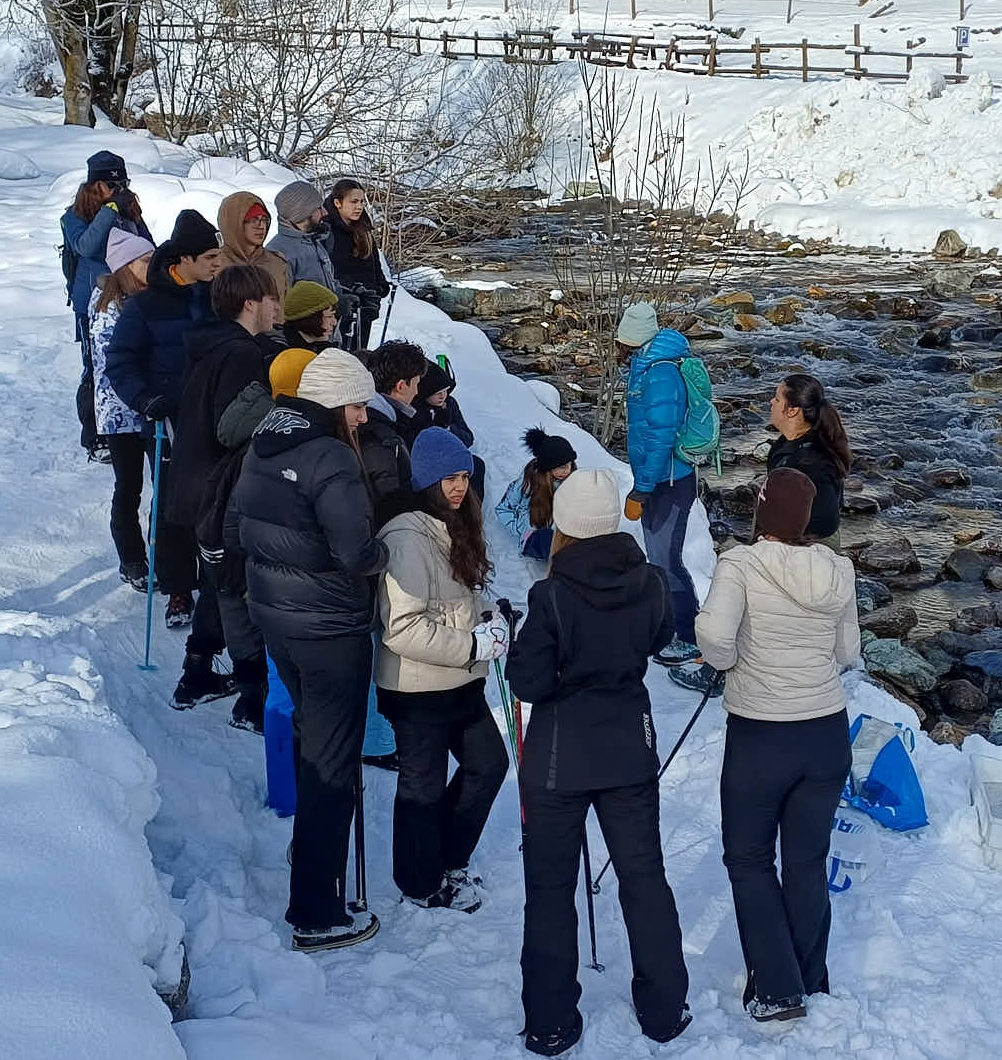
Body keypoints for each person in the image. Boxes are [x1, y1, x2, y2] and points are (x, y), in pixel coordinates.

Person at [507, 467, 690, 1056]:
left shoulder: (552, 595)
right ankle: (665, 1008)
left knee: (551, 887)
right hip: (629, 751)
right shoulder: (652, 582)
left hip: (560, 759)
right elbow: (659, 639)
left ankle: (551, 1020)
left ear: (563, 526)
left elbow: (528, 682)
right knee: (644, 878)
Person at [226, 348, 388, 952]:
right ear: (334, 400)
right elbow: (355, 552)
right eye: (357, 405)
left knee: (309, 737)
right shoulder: (330, 459)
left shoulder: (264, 443)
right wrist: (387, 553)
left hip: (276, 619)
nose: (364, 418)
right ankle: (316, 909)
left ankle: (309, 851)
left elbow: (235, 530)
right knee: (333, 764)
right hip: (330, 630)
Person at [693, 468, 859, 1024]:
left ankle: (779, 986)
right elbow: (848, 652)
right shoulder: (839, 569)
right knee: (807, 860)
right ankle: (810, 975)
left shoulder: (740, 563)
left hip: (762, 732)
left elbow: (716, 638)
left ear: (761, 513)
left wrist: (733, 660)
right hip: (825, 731)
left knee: (749, 857)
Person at [374, 427, 510, 912]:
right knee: (422, 786)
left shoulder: (451, 525)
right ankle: (419, 882)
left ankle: (447, 856)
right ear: (428, 480)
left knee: (489, 764)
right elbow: (403, 628)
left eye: (464, 478)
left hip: (459, 681)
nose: (459, 487)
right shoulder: (408, 537)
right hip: (417, 689)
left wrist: (489, 615)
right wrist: (473, 643)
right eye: (449, 478)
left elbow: (452, 602)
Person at [164, 262, 284, 712]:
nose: (278, 306)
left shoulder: (211, 345)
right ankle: (250, 695)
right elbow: (233, 428)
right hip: (217, 488)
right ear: (250, 303)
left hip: (194, 482)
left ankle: (197, 673)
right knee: (231, 587)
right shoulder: (241, 354)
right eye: (271, 298)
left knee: (219, 584)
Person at [103, 208, 227, 630]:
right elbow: (119, 361)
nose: (217, 265)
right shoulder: (145, 306)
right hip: (169, 420)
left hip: (215, 416)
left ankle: (216, 584)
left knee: (217, 500)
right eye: (210, 258)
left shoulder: (217, 299)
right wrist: (144, 398)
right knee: (175, 505)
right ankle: (177, 586)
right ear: (184, 261)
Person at [615, 301, 702, 671]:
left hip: (668, 482)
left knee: (668, 562)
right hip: (658, 480)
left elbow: (662, 436)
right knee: (660, 560)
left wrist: (642, 489)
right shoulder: (646, 363)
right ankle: (671, 627)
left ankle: (690, 638)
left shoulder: (661, 372)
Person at [60, 150, 150, 458]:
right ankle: (94, 436)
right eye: (112, 185)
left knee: (133, 362)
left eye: (123, 183)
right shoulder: (73, 216)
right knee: (95, 368)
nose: (119, 190)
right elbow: (86, 247)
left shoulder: (129, 211)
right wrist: (109, 210)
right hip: (94, 304)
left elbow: (147, 246)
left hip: (133, 300)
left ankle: (132, 427)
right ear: (94, 185)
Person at [90, 229, 158, 590]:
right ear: (126, 268)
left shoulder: (152, 298)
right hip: (122, 414)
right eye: (146, 261)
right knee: (129, 485)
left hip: (153, 409)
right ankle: (132, 558)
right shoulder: (106, 307)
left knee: (162, 485)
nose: (153, 266)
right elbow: (111, 362)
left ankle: (164, 555)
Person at [764, 373, 851, 547]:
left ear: (792, 411)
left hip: (809, 547)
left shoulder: (809, 460)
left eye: (777, 399)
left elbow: (826, 520)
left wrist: (782, 537)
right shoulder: (788, 443)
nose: (771, 402)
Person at [362, 341, 427, 527]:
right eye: (416, 383)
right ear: (400, 386)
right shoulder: (381, 436)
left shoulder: (379, 415)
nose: (417, 391)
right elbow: (390, 504)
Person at [324, 178, 389, 350]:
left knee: (359, 355)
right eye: (353, 202)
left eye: (361, 202)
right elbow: (326, 270)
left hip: (365, 306)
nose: (359, 206)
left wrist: (379, 288)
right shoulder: (326, 231)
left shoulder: (364, 229)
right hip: (338, 308)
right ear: (338, 202)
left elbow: (374, 263)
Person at [497, 427, 576, 562]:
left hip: (559, 532)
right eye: (562, 466)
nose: (568, 470)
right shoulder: (529, 482)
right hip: (535, 535)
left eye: (570, 464)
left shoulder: (572, 480)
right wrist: (522, 530)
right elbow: (503, 509)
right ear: (548, 466)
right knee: (549, 541)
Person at [416, 358, 486, 497]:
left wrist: (447, 428)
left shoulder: (450, 404)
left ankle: (473, 509)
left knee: (476, 466)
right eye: (438, 393)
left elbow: (468, 438)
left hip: (451, 455)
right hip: (427, 462)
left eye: (446, 391)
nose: (443, 396)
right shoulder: (416, 409)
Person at [217, 190, 290, 299]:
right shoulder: (215, 264)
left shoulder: (277, 263)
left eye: (264, 219)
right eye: (253, 220)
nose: (260, 226)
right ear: (234, 223)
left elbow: (287, 309)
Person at [270, 180, 338, 294]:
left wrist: (346, 294)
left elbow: (324, 287)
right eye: (319, 208)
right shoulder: (279, 254)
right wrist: (324, 309)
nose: (325, 212)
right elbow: (280, 305)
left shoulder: (314, 242)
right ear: (303, 212)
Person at [280, 280, 340, 351]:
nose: (334, 322)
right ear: (312, 319)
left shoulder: (323, 349)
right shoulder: (280, 351)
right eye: (329, 316)